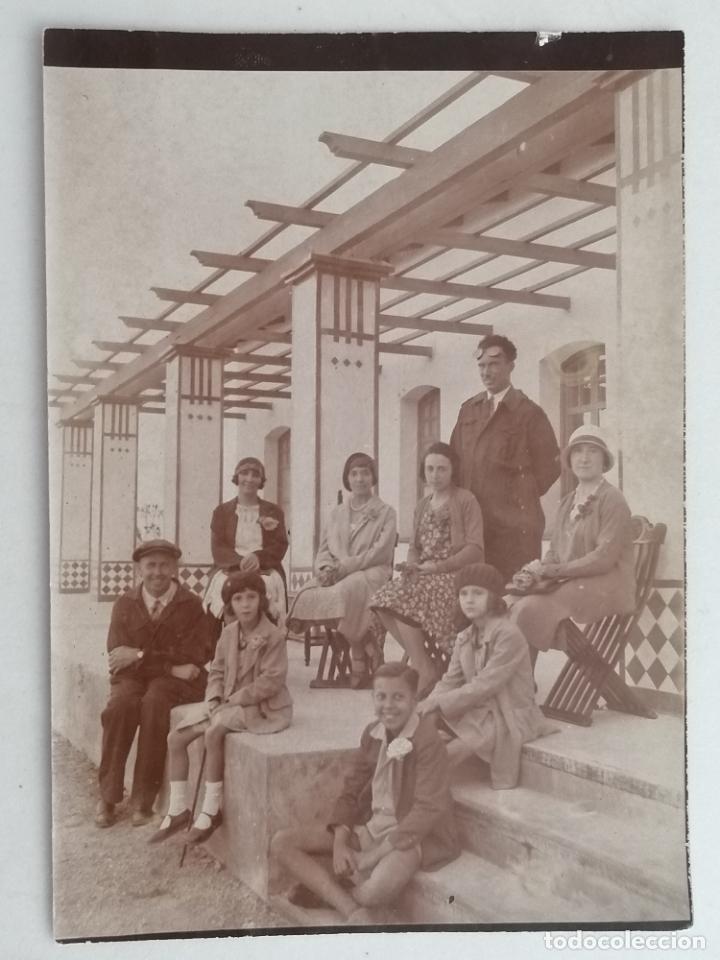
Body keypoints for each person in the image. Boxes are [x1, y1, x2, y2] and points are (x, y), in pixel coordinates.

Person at [271, 661, 459, 925]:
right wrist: (339, 843)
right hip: (371, 828)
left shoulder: (428, 740)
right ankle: (352, 910)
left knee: (373, 891)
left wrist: (373, 856)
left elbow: (426, 810)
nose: (388, 705)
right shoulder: (373, 733)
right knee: (282, 842)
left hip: (409, 837)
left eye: (398, 697)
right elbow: (351, 789)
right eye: (381, 697)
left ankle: (337, 896)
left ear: (414, 699)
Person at [148, 572, 292, 845]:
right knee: (175, 737)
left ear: (261, 600)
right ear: (230, 605)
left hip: (261, 706)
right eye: (238, 599)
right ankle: (178, 809)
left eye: (251, 597)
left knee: (213, 732)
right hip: (226, 702)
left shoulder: (273, 636)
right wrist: (214, 697)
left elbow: (272, 681)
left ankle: (211, 810)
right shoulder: (228, 633)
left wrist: (235, 699)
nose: (246, 604)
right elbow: (216, 670)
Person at [94, 540, 210, 828]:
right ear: (139, 569)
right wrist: (167, 663)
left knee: (155, 703)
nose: (157, 572)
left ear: (175, 568)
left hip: (171, 683)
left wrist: (140, 655)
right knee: (120, 706)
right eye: (151, 566)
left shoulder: (191, 605)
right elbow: (117, 655)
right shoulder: (125, 604)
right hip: (137, 678)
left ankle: (143, 801)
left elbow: (195, 655)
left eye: (164, 565)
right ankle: (107, 796)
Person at [508, 424, 636, 667]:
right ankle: (519, 685)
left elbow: (604, 558)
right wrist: (535, 573)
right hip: (576, 583)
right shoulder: (567, 502)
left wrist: (554, 572)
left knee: (527, 609)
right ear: (570, 459)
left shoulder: (613, 499)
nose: (584, 459)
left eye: (592, 452)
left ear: (604, 460)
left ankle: (519, 688)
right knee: (509, 603)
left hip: (609, 584)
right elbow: (555, 552)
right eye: (578, 451)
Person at [417, 564, 555, 789]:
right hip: (477, 709)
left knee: (442, 757)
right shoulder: (466, 636)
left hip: (507, 713)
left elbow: (485, 685)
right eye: (463, 593)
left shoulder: (508, 634)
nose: (469, 600)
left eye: (477, 593)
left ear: (493, 598)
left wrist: (437, 703)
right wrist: (429, 704)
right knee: (416, 726)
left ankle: (417, 803)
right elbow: (450, 681)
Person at [370, 442, 484, 698]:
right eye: (430, 469)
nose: (435, 474)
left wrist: (439, 566)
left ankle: (423, 668)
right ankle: (424, 663)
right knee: (381, 600)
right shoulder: (422, 505)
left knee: (408, 598)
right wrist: (412, 565)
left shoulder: (466, 500)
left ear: (453, 470)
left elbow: (475, 548)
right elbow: (414, 546)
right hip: (425, 574)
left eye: (442, 469)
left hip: (455, 575)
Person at [450, 334, 561, 582]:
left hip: (513, 530)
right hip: (473, 529)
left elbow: (550, 467)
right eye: (481, 366)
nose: (486, 372)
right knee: (471, 594)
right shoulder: (468, 410)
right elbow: (454, 460)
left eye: (494, 364)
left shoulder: (528, 413)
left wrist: (515, 496)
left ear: (510, 366)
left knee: (510, 596)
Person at [287, 452, 397, 688]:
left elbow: (380, 553)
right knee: (309, 594)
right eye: (354, 474)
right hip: (340, 572)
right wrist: (325, 568)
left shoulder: (386, 512)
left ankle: (357, 654)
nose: (360, 479)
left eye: (365, 473)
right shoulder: (337, 513)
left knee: (347, 589)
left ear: (373, 477)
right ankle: (363, 643)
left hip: (373, 572)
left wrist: (346, 566)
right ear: (347, 478)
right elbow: (324, 549)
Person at [204, 457, 289, 638]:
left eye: (255, 475)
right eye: (244, 473)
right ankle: (228, 650)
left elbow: (280, 545)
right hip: (230, 567)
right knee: (225, 590)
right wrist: (240, 562)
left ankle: (265, 649)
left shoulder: (273, 511)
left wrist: (258, 557)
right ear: (237, 477)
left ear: (261, 481)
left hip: (264, 569)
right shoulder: (222, 512)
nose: (249, 479)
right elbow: (218, 547)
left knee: (265, 590)